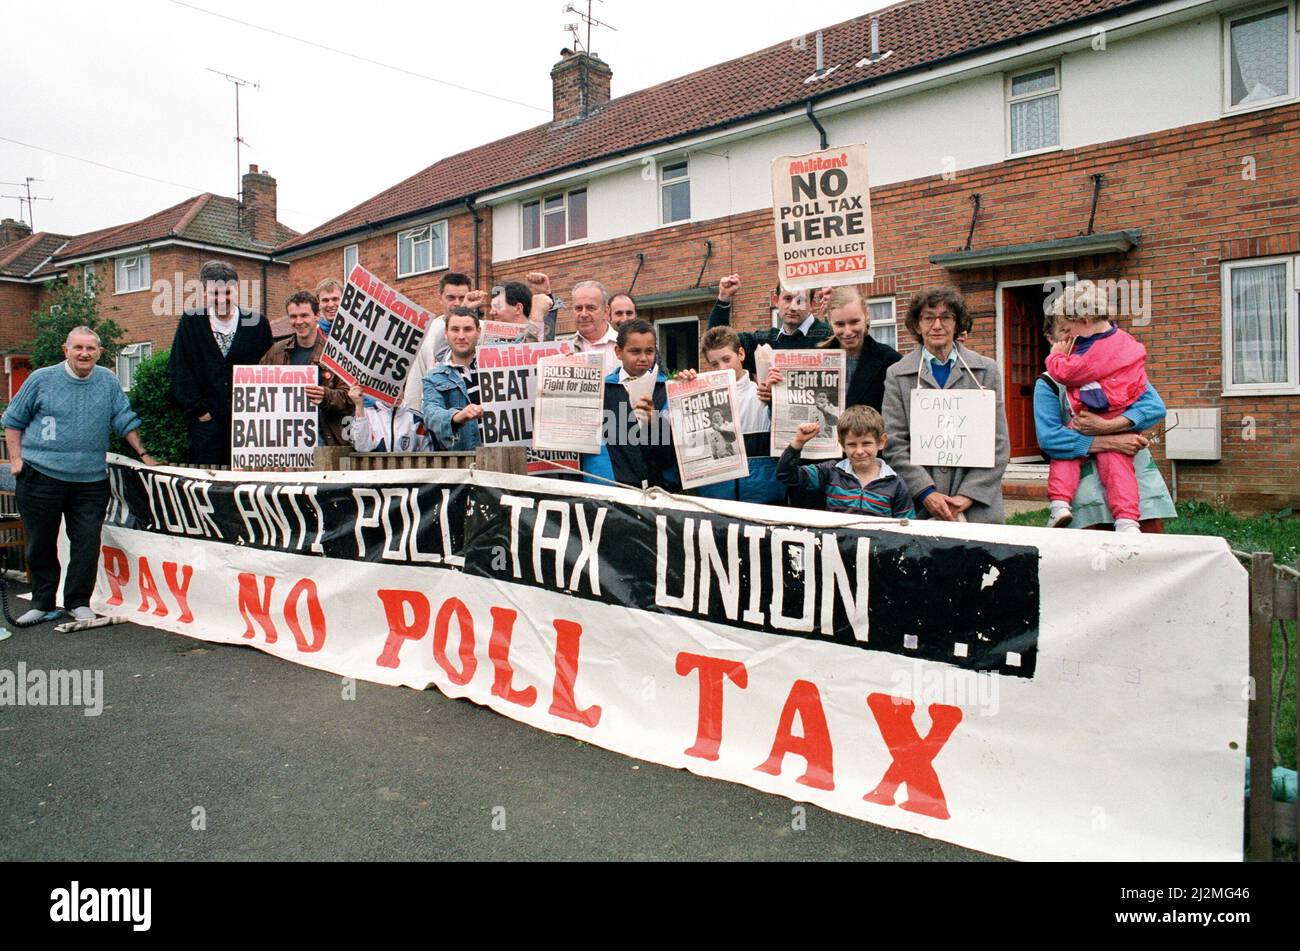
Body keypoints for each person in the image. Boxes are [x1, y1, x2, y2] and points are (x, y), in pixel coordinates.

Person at [2, 327, 156, 624]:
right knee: (41, 541)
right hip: (41, 475)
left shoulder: (108, 381)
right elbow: (13, 420)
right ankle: (43, 602)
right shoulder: (41, 379)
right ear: (66, 350)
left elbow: (124, 419)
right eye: (78, 348)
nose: (84, 353)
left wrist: (144, 454)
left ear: (99, 352)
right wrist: (16, 459)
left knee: (86, 541)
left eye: (91, 348)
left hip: (90, 479)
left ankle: (77, 601)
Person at [1036, 289, 1175, 532]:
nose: (1073, 340)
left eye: (1071, 331)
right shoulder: (1048, 383)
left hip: (1138, 487)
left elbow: (1154, 407)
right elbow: (1050, 439)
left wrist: (1107, 426)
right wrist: (1113, 442)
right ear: (1052, 342)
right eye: (1063, 334)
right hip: (1085, 495)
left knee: (1146, 555)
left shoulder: (1117, 368)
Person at [881, 287, 1010, 524]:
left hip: (977, 509)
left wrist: (968, 495)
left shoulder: (985, 370)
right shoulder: (898, 374)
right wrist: (926, 492)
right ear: (917, 325)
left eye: (946, 317)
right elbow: (894, 443)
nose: (937, 325)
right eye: (929, 317)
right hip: (921, 506)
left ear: (957, 323)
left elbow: (998, 443)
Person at [169, 260, 273, 467]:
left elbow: (268, 369)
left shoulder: (257, 323)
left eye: (227, 292)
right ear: (205, 292)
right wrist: (200, 411)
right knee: (209, 483)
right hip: (207, 425)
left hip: (250, 423)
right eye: (215, 293)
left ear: (236, 290)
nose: (222, 299)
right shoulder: (191, 322)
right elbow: (179, 369)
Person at [580, 318, 675, 488]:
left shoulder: (666, 390)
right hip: (617, 487)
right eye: (635, 351)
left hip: (658, 489)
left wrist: (654, 421)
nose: (643, 358)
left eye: (649, 351)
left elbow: (670, 452)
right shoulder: (602, 390)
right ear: (618, 352)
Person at [693, 326, 782, 504]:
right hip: (717, 502)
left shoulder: (763, 394)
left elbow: (785, 440)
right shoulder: (702, 400)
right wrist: (685, 388)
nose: (722, 368)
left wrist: (775, 402)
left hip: (763, 499)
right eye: (714, 364)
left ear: (741, 354)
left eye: (727, 359)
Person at [777, 406, 914, 518]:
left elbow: (908, 529)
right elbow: (786, 475)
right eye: (852, 444)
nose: (859, 451)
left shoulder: (895, 484)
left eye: (866, 443)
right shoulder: (831, 472)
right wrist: (798, 442)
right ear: (842, 444)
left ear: (881, 442)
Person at [259, 290, 351, 445]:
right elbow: (257, 389)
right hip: (284, 439)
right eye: (293, 316)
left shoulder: (335, 353)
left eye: (304, 315)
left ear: (317, 316)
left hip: (323, 438)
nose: (299, 321)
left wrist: (325, 395)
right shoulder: (276, 352)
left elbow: (350, 397)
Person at [707, 273, 832, 378]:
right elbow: (717, 340)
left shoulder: (829, 336)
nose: (793, 307)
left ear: (812, 304)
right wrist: (724, 298)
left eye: (800, 300)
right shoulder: (764, 342)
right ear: (776, 301)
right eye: (788, 298)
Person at [818, 285, 902, 412]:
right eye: (840, 324)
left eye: (854, 322)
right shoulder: (815, 359)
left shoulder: (890, 360)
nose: (848, 331)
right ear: (830, 322)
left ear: (866, 315)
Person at [403, 272, 472, 415]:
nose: (457, 303)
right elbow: (417, 376)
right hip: (437, 412)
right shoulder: (426, 332)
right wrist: (413, 414)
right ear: (440, 298)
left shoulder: (480, 330)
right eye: (451, 298)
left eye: (462, 298)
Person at [422, 307, 484, 451]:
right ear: (446, 333)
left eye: (468, 329)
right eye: (455, 330)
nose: (461, 336)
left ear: (478, 332)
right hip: (465, 464)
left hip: (505, 459)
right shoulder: (433, 377)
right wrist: (458, 415)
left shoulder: (496, 364)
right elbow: (431, 414)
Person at [348, 385, 431, 453]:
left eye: (399, 389)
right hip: (375, 472)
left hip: (408, 472)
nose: (396, 395)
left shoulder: (416, 418)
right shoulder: (368, 414)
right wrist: (359, 405)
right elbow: (361, 447)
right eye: (390, 389)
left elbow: (427, 452)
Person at [568, 280, 620, 375]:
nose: (583, 314)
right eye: (578, 308)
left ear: (606, 311)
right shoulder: (564, 349)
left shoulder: (624, 345)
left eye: (591, 308)